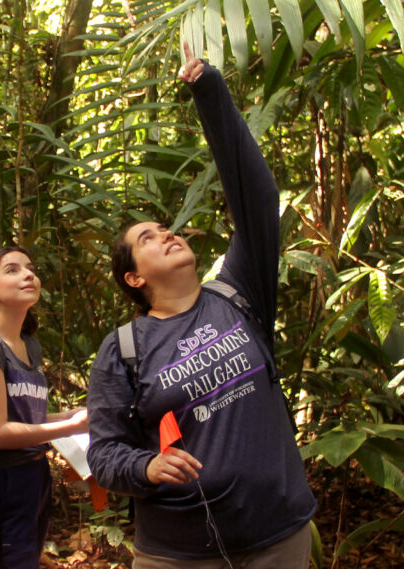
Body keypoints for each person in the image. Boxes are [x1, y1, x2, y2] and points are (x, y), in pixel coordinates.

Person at [86, 44, 316, 568]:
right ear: (134, 276)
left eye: (165, 228)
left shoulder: (238, 291)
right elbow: (105, 454)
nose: (166, 233)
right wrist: (147, 469)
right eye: (148, 237)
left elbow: (257, 199)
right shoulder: (123, 350)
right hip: (179, 552)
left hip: (278, 537)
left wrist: (209, 92)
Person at [0, 247, 88, 569]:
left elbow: (25, 416)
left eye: (30, 268)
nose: (29, 274)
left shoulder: (29, 343)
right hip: (2, 479)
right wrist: (73, 426)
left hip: (34, 472)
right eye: (13, 270)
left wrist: (74, 415)